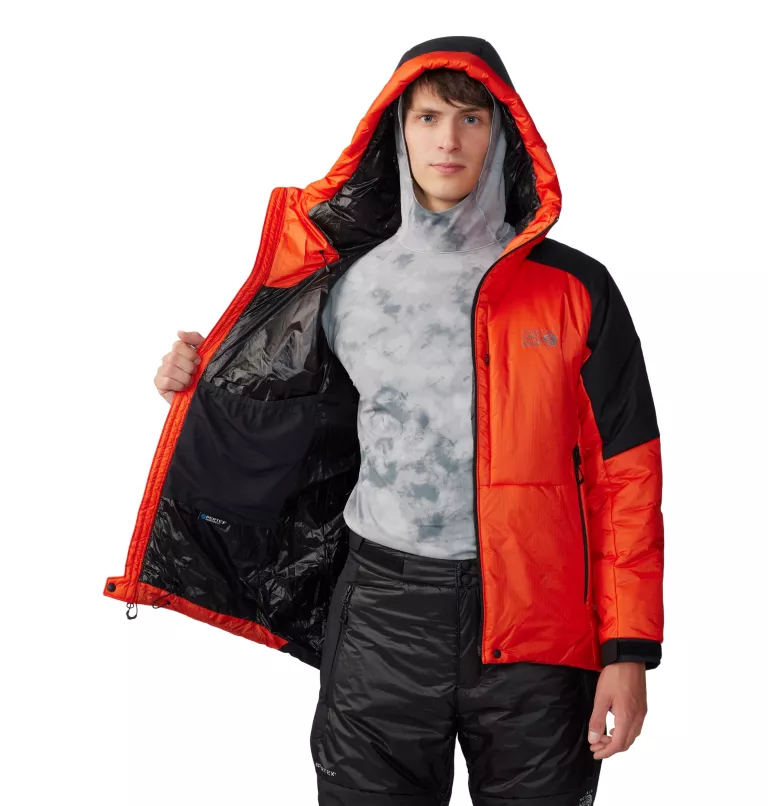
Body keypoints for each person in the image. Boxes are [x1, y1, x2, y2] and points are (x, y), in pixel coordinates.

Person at [142, 36, 663, 806]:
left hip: (539, 624)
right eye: (427, 117)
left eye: (471, 118)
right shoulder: (342, 282)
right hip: (382, 616)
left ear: (505, 133)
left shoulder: (575, 288)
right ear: (397, 130)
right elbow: (284, 419)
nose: (448, 139)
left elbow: (627, 478)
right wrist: (196, 384)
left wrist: (628, 649)